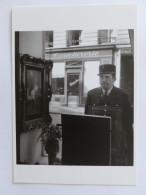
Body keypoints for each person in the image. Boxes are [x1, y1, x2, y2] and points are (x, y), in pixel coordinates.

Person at [85, 64, 133, 166]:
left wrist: (127, 144)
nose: (103, 80)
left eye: (107, 77)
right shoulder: (91, 94)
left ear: (114, 78)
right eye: (101, 77)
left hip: (116, 141)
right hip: (97, 140)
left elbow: (128, 121)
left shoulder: (123, 95)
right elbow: (87, 119)